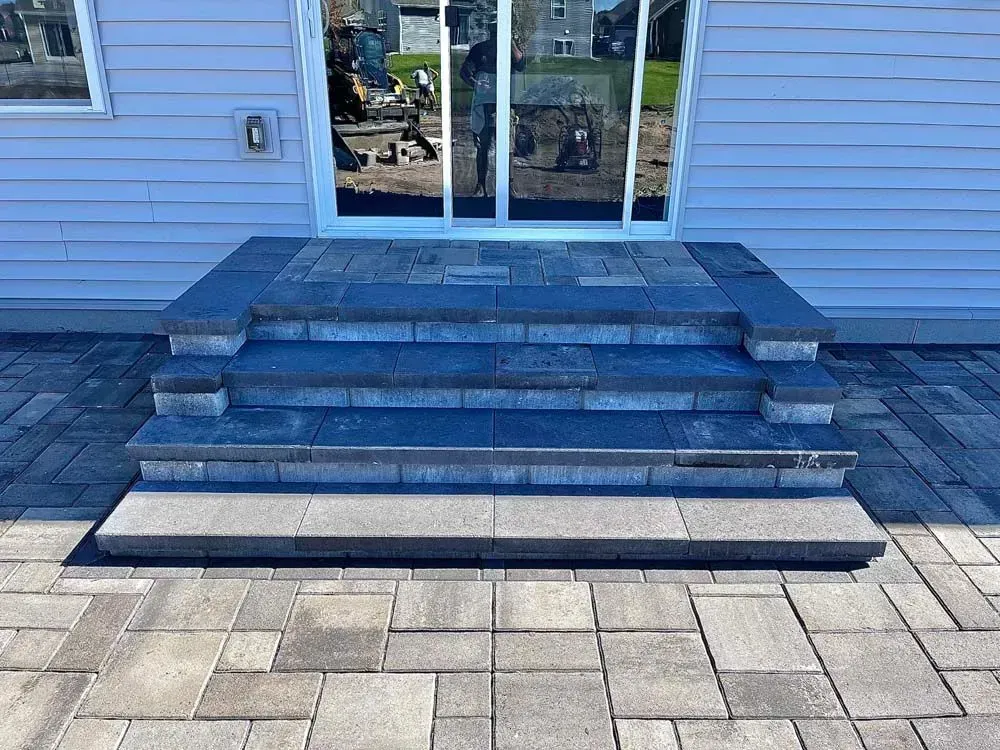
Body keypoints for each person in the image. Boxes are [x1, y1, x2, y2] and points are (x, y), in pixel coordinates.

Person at [459, 21, 525, 197]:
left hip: (505, 105)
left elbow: (521, 64)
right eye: (495, 30)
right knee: (482, 146)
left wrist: (510, 41)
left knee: (508, 147)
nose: (498, 33)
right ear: (490, 31)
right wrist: (475, 83)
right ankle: (481, 185)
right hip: (484, 106)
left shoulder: (511, 50)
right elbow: (465, 71)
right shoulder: (480, 49)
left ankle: (509, 187)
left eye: (502, 30)